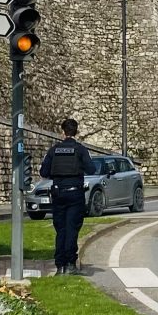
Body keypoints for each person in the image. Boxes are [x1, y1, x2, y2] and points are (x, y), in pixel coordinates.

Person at [41, 118, 95, 275]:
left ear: (62, 132)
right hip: (75, 193)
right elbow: (91, 169)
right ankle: (71, 264)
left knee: (61, 229)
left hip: (58, 194)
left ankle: (59, 266)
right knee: (72, 229)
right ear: (76, 132)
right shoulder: (81, 150)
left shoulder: (53, 150)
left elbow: (44, 172)